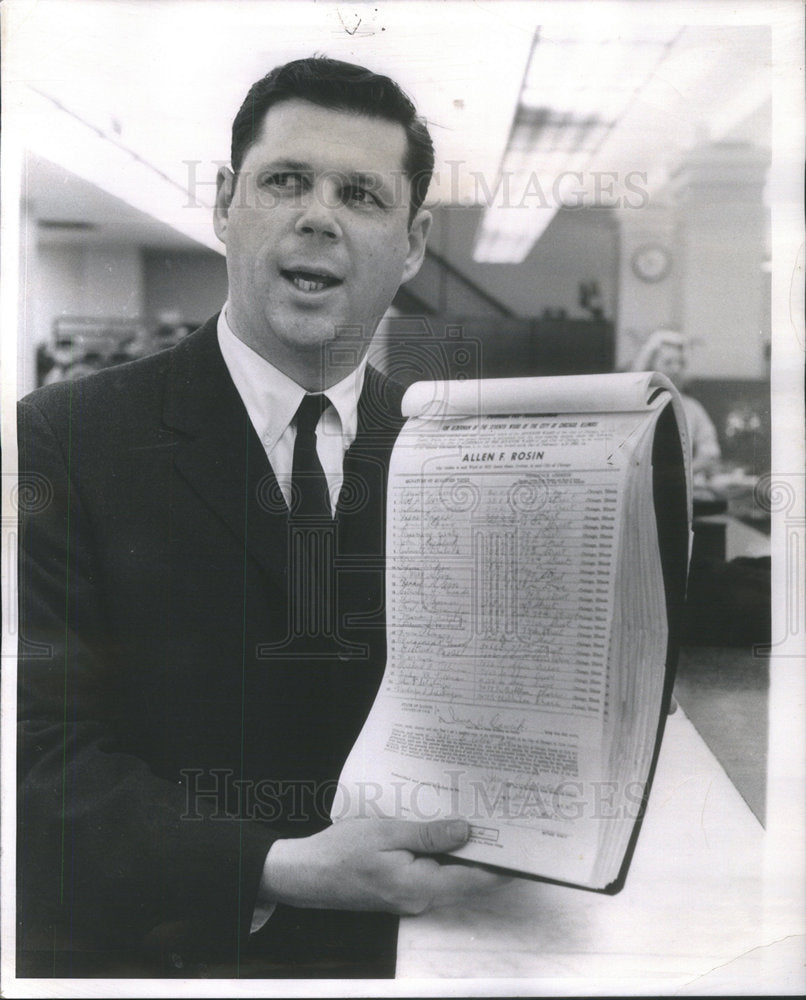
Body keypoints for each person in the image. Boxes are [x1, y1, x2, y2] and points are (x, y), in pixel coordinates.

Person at [16, 56, 506, 980]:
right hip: (150, 958)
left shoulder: (459, 456)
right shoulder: (63, 441)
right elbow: (35, 756)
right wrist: (273, 867)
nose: (318, 214)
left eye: (362, 194)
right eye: (286, 180)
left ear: (410, 245)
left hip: (406, 962)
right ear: (224, 203)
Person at [631, 328, 721, 479]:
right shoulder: (635, 404)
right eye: (668, 362)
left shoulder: (693, 407)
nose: (676, 369)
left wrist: (680, 477)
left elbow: (710, 453)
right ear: (650, 365)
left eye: (681, 363)